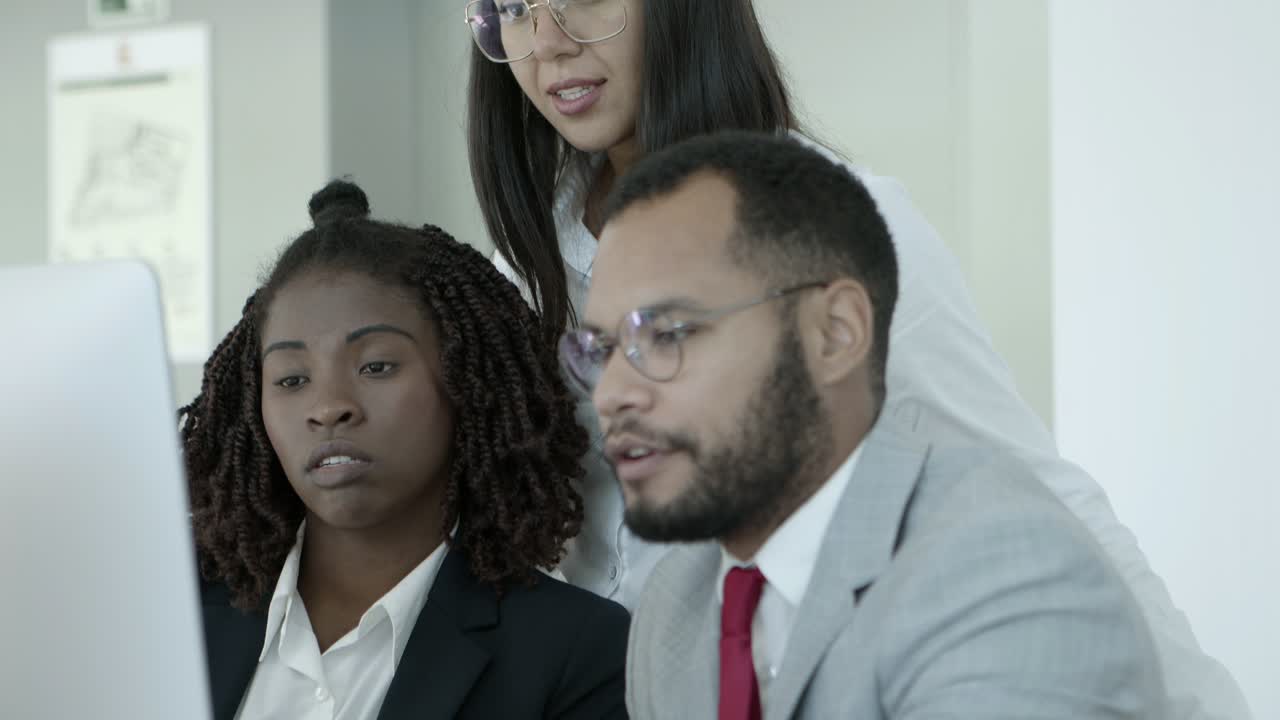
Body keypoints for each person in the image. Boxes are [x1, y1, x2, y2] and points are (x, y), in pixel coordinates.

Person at [461, 2, 1249, 716]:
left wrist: (1201, 708)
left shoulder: (840, 231)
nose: (547, 42)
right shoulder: (524, 263)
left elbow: (1036, 494)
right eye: (513, 7)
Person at [569, 130, 1163, 718]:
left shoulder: (1007, 572)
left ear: (835, 333)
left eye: (669, 333)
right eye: (602, 349)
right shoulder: (675, 606)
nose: (612, 394)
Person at [179, 180, 629, 720]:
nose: (329, 407)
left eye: (376, 366)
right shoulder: (171, 610)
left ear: (467, 383)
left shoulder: (576, 651)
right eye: (292, 379)